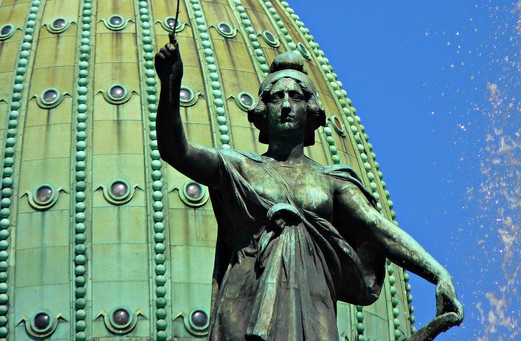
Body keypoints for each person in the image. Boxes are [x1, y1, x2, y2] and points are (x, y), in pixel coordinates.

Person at [155, 38, 463, 340]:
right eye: (276, 98)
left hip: (312, 310)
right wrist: (170, 85)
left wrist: (438, 274)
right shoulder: (239, 167)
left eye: (295, 97)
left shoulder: (331, 182)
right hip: (245, 304)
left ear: (310, 110)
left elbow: (378, 229)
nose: (286, 105)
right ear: (263, 110)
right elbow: (176, 151)